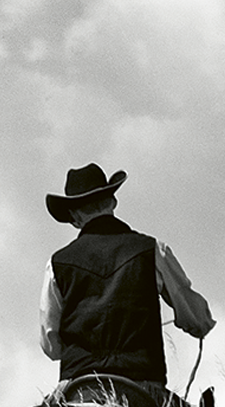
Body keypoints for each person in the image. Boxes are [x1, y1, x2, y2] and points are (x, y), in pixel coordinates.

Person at [39, 162, 215, 394]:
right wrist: (199, 325)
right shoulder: (153, 249)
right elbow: (195, 316)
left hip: (77, 383)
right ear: (113, 202)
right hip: (143, 381)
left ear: (74, 217)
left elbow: (50, 344)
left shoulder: (56, 264)